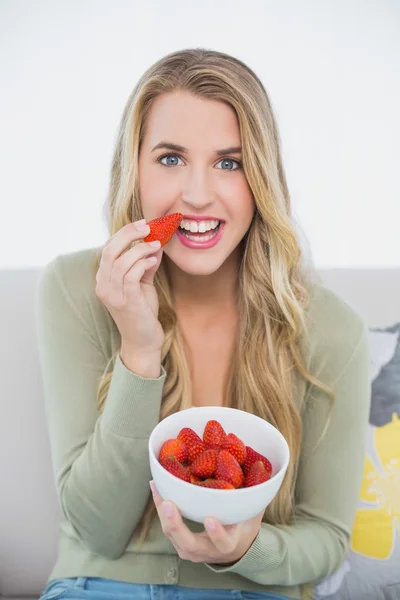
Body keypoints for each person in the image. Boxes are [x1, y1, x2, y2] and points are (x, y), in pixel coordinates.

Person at [35, 48, 371, 600]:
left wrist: (246, 549)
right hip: (101, 584)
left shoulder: (333, 330)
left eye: (229, 162)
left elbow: (328, 536)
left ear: (261, 177)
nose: (196, 194)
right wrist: (140, 352)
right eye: (170, 159)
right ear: (134, 169)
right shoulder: (75, 289)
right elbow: (97, 526)